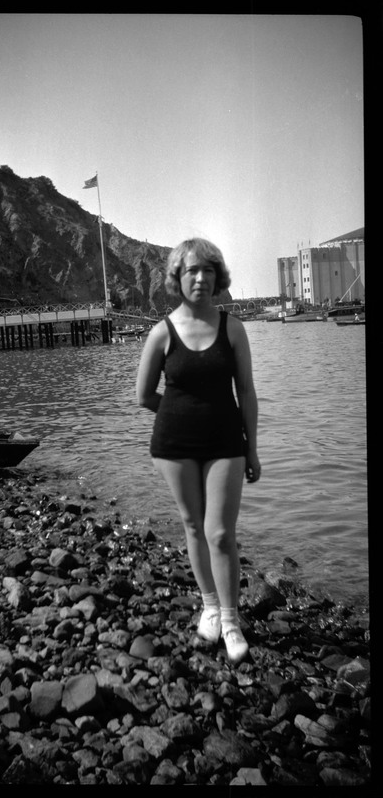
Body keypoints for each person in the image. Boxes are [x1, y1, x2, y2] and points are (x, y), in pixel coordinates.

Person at [136, 238, 261, 665]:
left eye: (209, 270)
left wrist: (253, 449)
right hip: (174, 446)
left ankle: (230, 620)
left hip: (227, 444)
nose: (201, 278)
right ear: (178, 277)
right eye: (192, 270)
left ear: (218, 277)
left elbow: (245, 391)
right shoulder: (161, 333)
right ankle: (209, 605)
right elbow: (143, 396)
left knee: (221, 533)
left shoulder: (233, 328)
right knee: (193, 526)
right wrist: (178, 415)